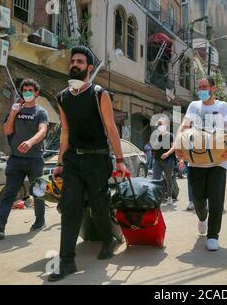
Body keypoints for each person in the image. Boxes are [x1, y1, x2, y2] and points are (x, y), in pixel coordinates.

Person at [48, 46, 128, 282]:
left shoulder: (99, 93)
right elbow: (65, 132)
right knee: (70, 207)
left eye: (80, 61)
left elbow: (111, 129)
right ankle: (67, 261)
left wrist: (120, 160)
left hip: (97, 158)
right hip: (73, 160)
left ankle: (108, 239)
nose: (75, 64)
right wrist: (60, 162)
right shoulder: (62, 97)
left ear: (89, 68)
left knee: (99, 206)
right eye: (73, 61)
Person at [176, 77, 227, 251]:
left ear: (213, 88)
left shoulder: (222, 106)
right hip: (196, 161)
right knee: (198, 200)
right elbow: (184, 126)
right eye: (199, 87)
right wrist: (179, 144)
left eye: (204, 87)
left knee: (216, 199)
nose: (201, 89)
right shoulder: (194, 106)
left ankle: (213, 235)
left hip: (218, 159)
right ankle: (202, 218)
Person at [0, 79, 49, 239]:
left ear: (36, 93)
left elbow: (43, 131)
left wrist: (31, 141)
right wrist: (13, 113)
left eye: (30, 90)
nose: (27, 93)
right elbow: (7, 130)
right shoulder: (15, 111)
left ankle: (40, 221)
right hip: (16, 160)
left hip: (35, 159)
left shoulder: (41, 112)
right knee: (9, 193)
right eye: (24, 90)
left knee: (38, 192)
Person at [152, 118, 175, 205]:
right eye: (158, 124)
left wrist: (167, 154)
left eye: (161, 124)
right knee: (155, 179)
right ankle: (157, 197)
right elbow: (154, 147)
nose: (159, 126)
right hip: (157, 160)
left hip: (168, 161)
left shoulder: (170, 136)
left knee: (168, 179)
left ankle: (169, 197)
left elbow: (174, 147)